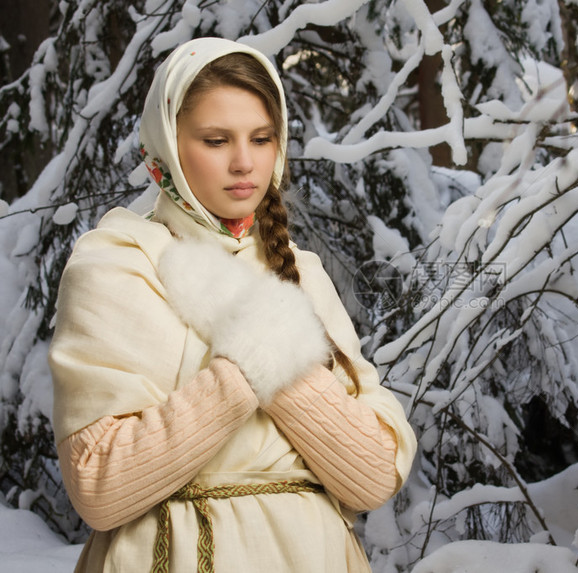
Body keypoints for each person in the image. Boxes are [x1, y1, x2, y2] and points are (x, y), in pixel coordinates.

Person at [49, 37, 417, 573]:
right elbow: (101, 488)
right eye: (216, 140)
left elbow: (374, 475)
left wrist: (271, 353)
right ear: (168, 146)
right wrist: (242, 374)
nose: (245, 163)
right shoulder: (116, 266)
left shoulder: (300, 271)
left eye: (262, 139)